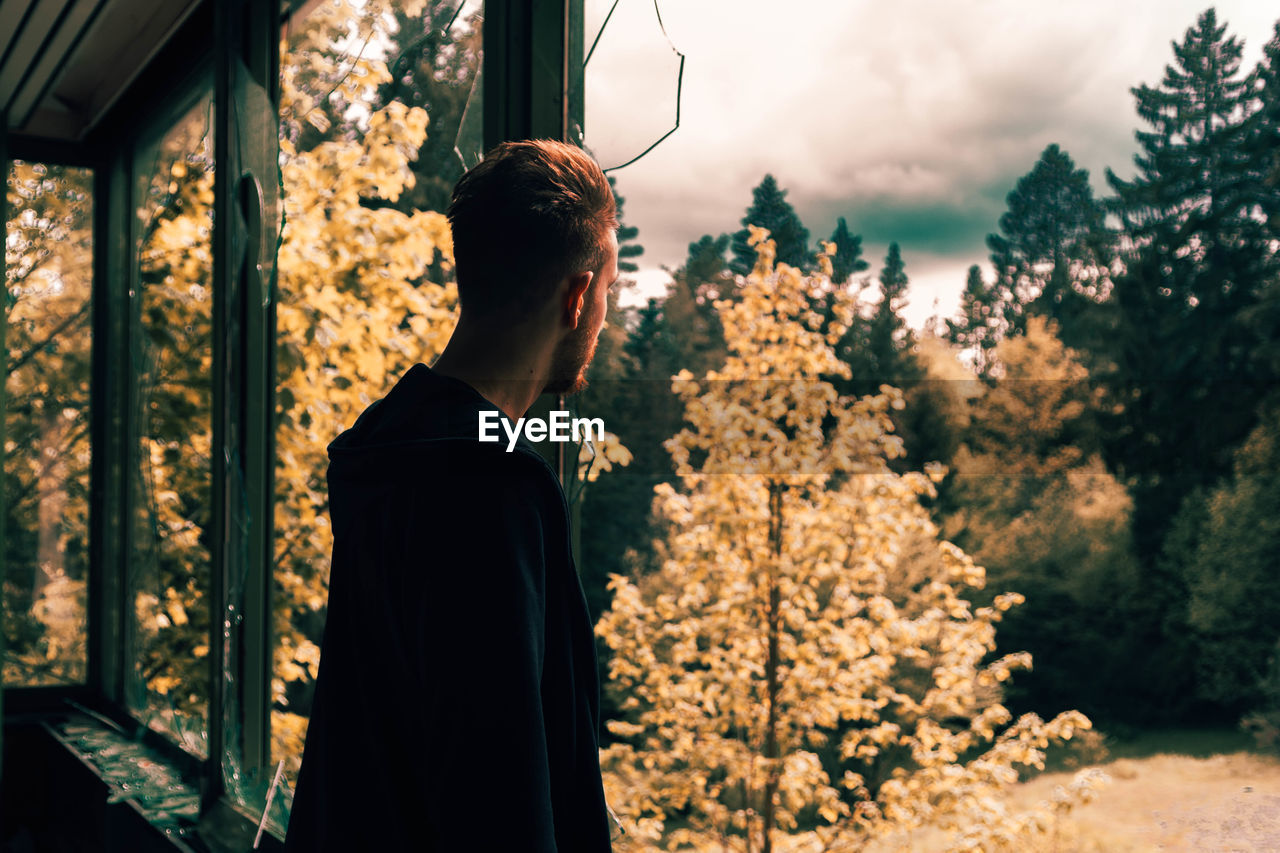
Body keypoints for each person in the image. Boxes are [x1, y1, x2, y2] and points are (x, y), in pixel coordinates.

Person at [284, 139, 620, 851]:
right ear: (579, 296)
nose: (603, 318)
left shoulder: (387, 449)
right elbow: (500, 798)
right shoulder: (491, 492)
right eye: (607, 294)